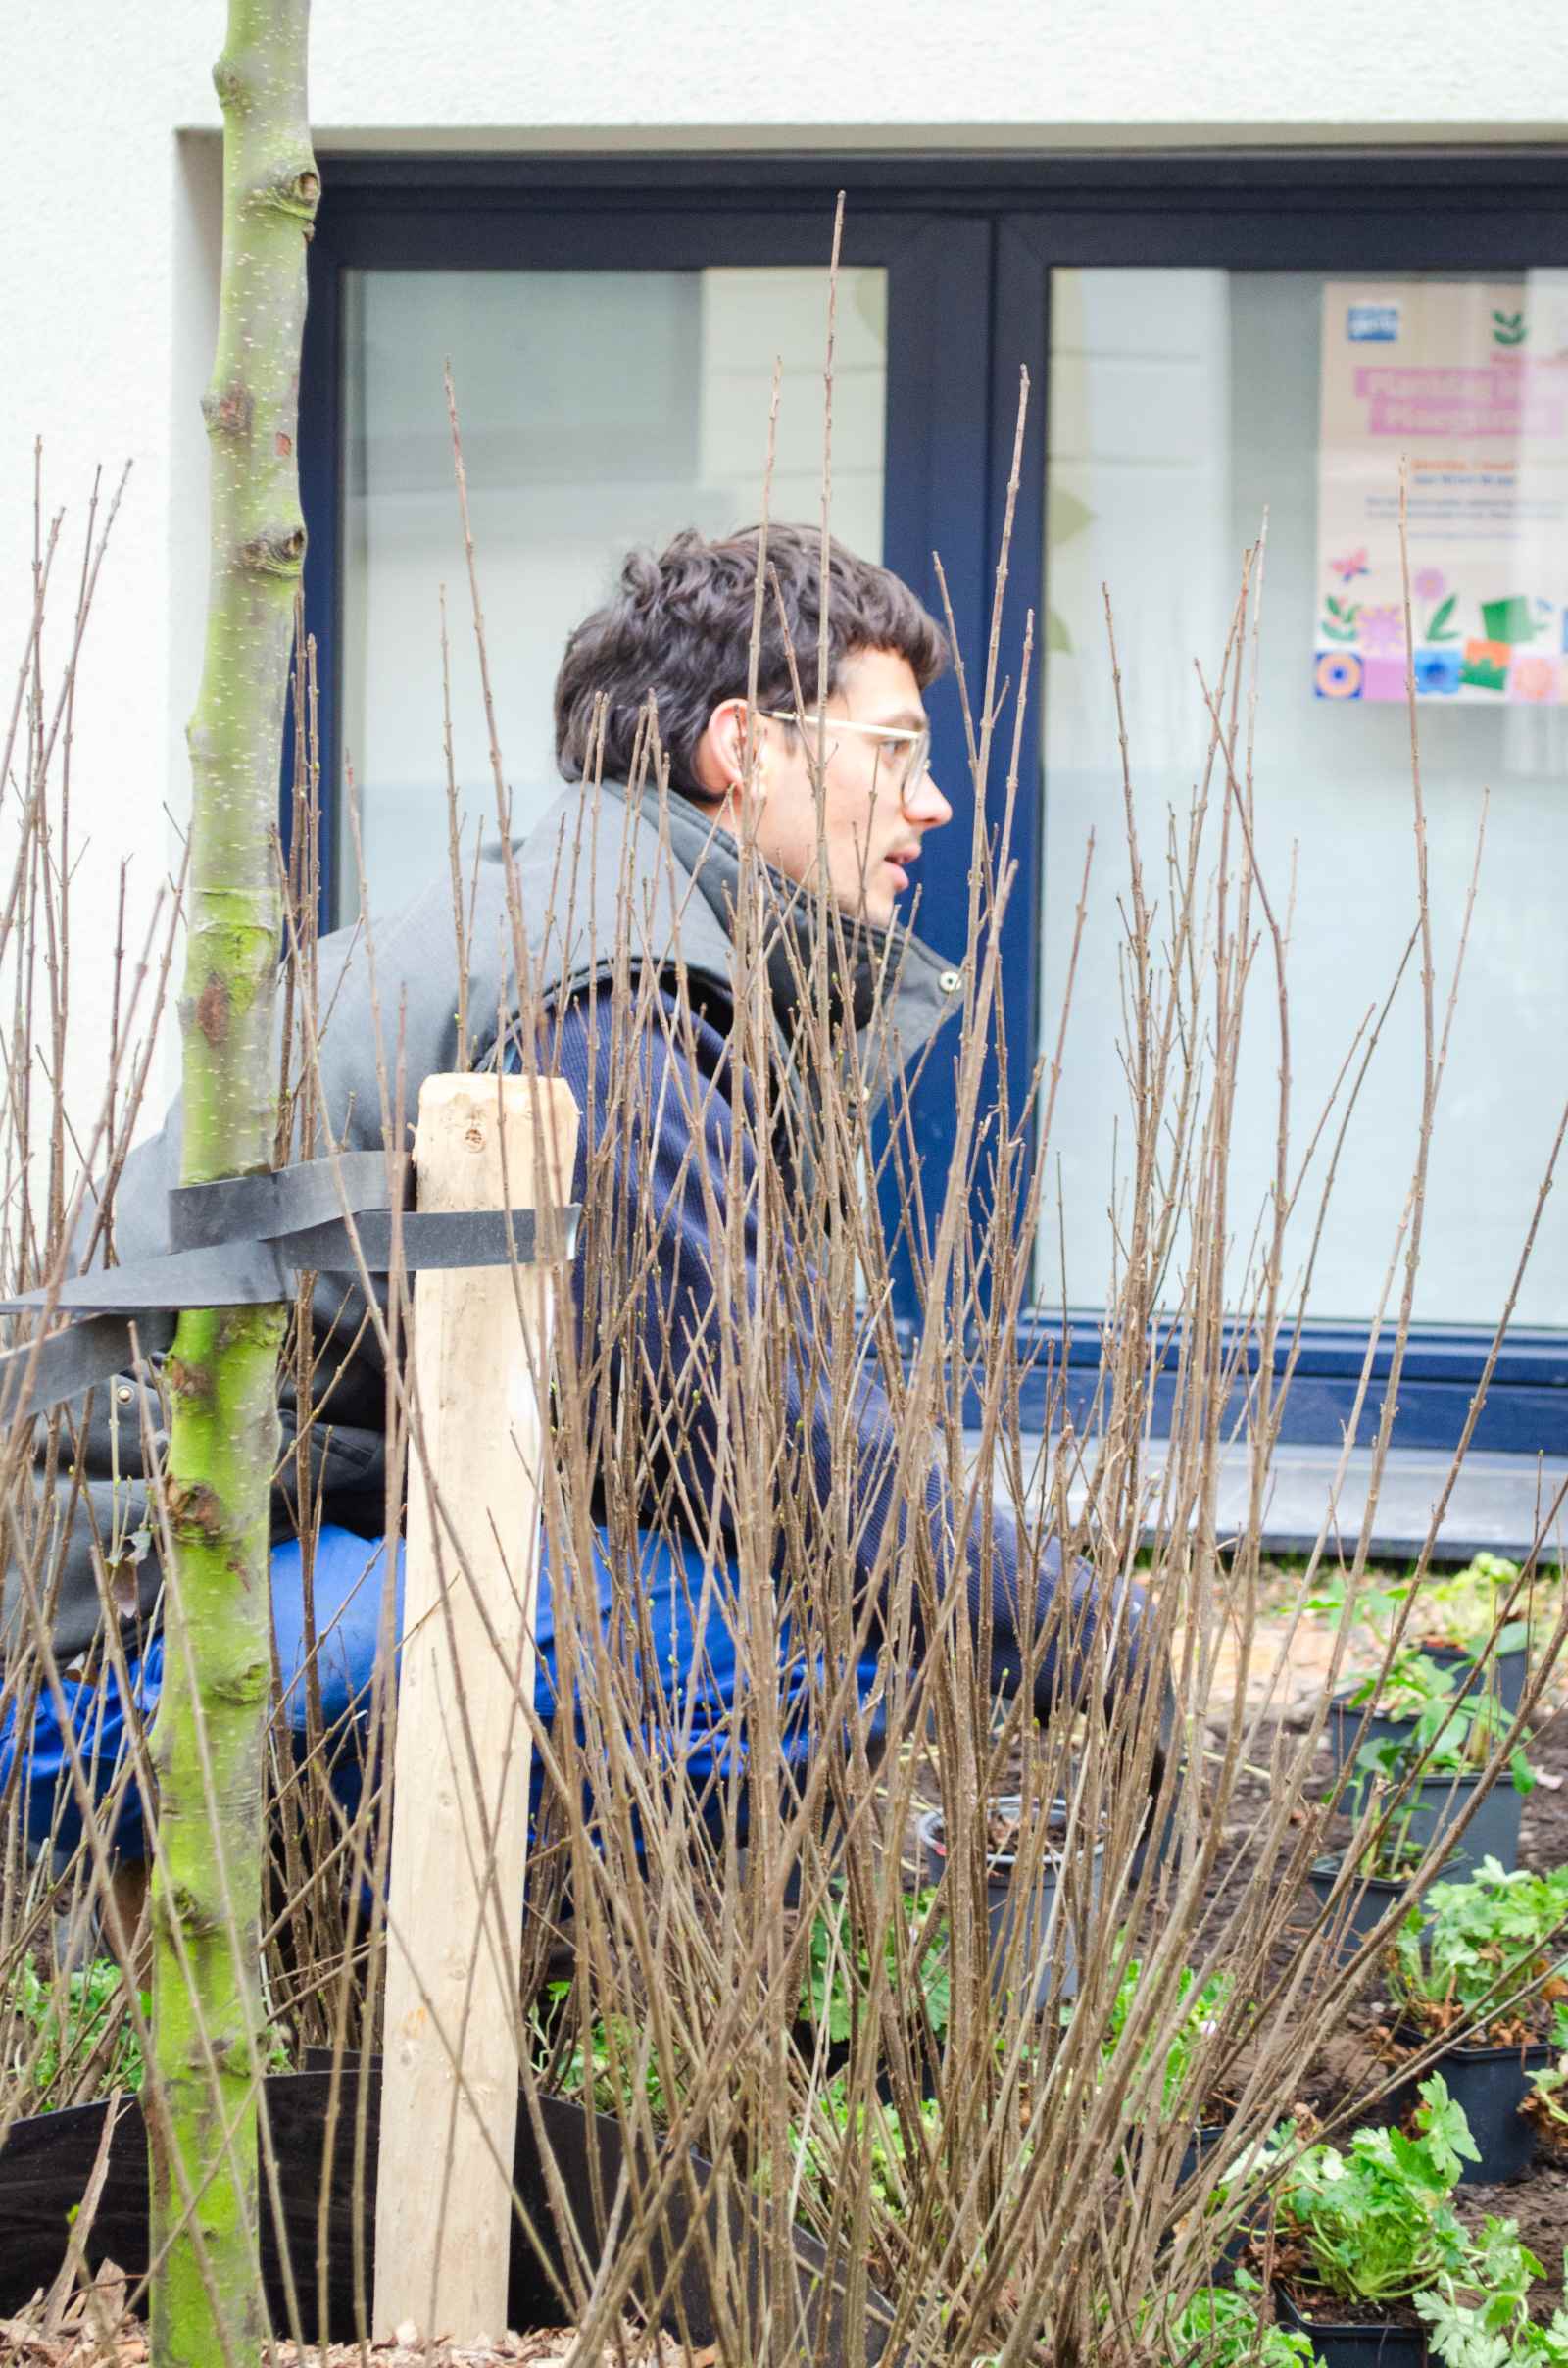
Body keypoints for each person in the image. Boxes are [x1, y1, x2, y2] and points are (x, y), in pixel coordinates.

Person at [2, 524, 1152, 1919]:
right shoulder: (609, 996)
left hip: (182, 1589)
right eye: (894, 751)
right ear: (746, 747)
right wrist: (1089, 1631)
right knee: (821, 1636)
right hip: (109, 1666)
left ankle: (445, 1950)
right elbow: (755, 1436)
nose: (934, 804)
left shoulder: (574, 915)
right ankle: (461, 1967)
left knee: (774, 1589)